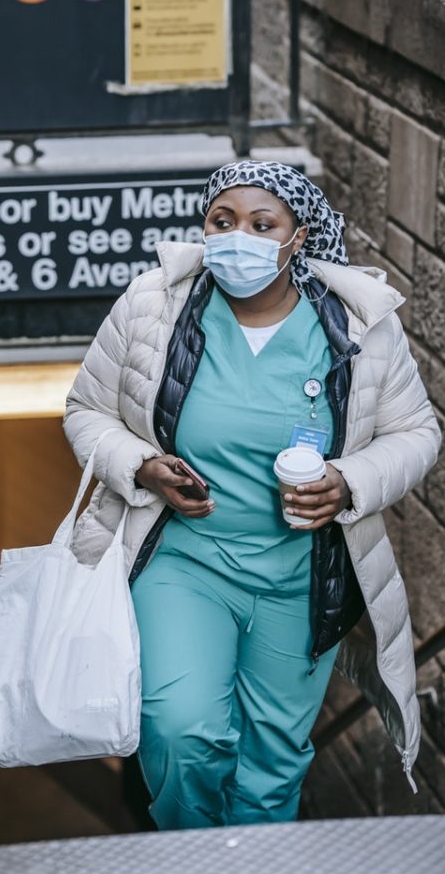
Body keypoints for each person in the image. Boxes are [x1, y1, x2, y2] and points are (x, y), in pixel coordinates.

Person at [63, 160, 441, 829]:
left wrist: (348, 483)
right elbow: (86, 412)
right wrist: (143, 464)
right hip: (187, 561)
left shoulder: (358, 327)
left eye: (262, 224)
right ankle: (192, 854)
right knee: (180, 731)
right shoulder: (154, 305)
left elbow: (416, 432)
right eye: (222, 221)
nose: (239, 237)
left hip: (301, 576)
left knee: (273, 762)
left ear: (299, 237)